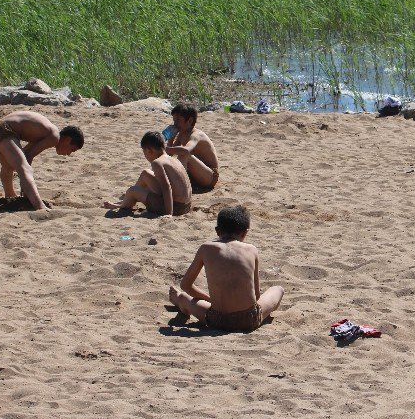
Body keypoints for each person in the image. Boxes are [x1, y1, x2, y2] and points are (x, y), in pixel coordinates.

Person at [168, 205, 284, 333]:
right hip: (248, 320)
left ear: (217, 231)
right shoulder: (251, 250)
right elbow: (256, 296)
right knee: (278, 290)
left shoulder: (205, 248)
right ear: (245, 232)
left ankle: (180, 301)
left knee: (186, 298)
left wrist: (210, 299)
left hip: (217, 320)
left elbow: (186, 285)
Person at [0, 111, 84, 211]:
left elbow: (25, 153)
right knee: (25, 168)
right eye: (72, 149)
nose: (69, 154)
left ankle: (10, 195)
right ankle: (39, 206)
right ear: (68, 140)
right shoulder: (54, 137)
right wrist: (26, 191)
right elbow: (28, 156)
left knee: (8, 166)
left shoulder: (46, 132)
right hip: (5, 130)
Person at [103, 131, 192, 216]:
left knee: (132, 190)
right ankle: (127, 200)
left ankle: (125, 204)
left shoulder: (157, 162)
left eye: (144, 152)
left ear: (149, 150)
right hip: (186, 206)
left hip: (175, 208)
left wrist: (169, 214)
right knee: (145, 173)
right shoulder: (172, 159)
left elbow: (166, 187)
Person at [163, 102, 220, 190]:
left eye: (178, 120)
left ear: (189, 121)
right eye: (174, 120)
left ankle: (179, 188)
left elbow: (186, 151)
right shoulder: (181, 134)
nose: (175, 124)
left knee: (185, 155)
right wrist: (170, 139)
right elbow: (170, 154)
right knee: (171, 160)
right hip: (195, 174)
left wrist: (166, 149)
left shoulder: (196, 135)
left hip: (209, 176)